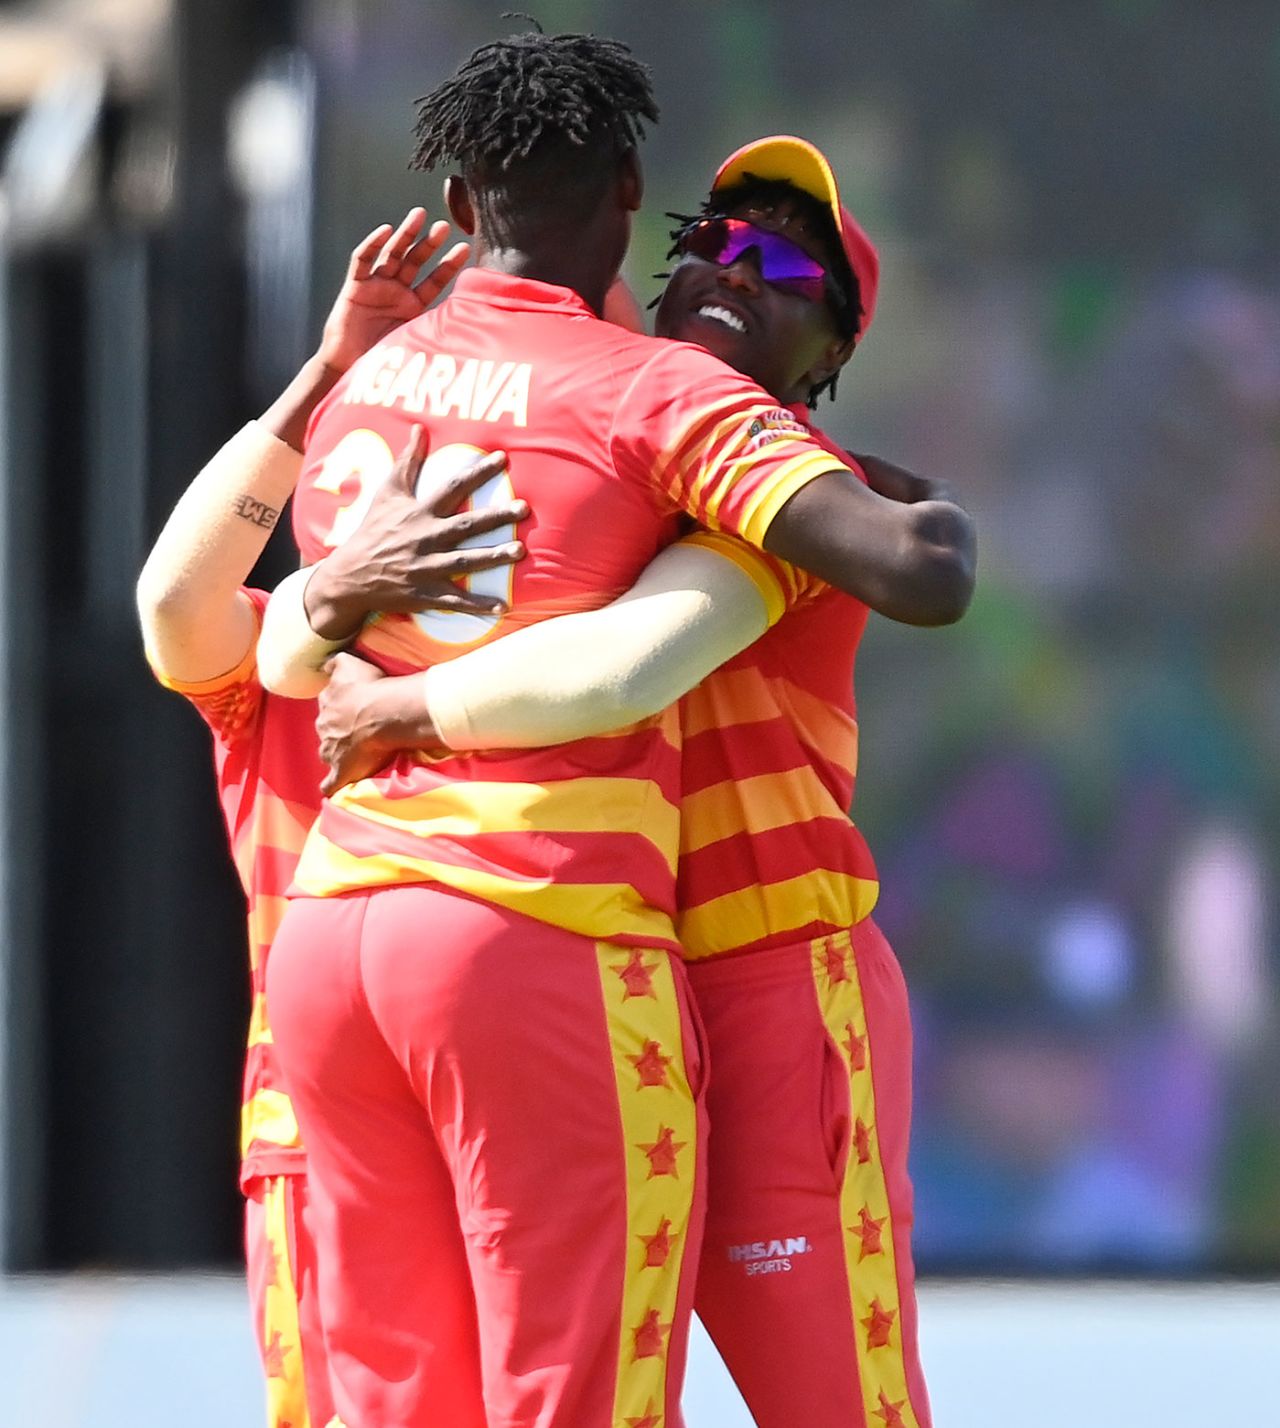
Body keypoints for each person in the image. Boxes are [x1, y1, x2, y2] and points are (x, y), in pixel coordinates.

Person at [260, 29, 970, 1428]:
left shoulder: (776, 476)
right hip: (593, 969)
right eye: (716, 239)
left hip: (766, 984)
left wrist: (391, 694)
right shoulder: (626, 431)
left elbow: (638, 659)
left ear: (837, 349)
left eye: (791, 275)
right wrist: (328, 602)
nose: (734, 273)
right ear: (649, 229)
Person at [135, 209, 523, 1428]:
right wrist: (329, 372)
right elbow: (171, 606)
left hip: (520, 1112)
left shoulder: (554, 662)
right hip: (321, 1132)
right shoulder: (276, 665)